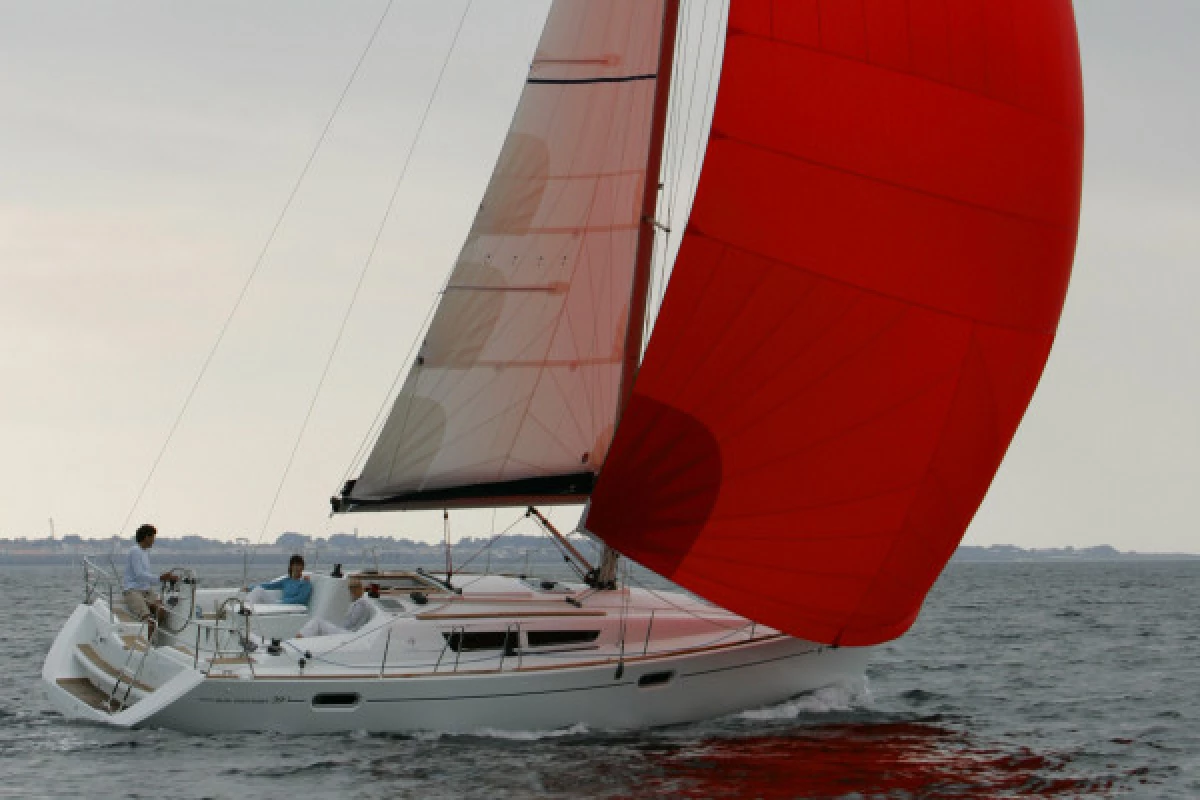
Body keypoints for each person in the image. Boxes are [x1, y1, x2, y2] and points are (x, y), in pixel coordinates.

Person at [121, 524, 176, 629]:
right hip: (133, 590)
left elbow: (146, 576)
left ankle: (153, 638)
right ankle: (149, 642)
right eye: (152, 538)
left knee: (161, 610)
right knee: (148, 620)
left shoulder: (144, 552)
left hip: (146, 590)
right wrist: (160, 578)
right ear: (146, 537)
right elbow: (139, 574)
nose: (153, 541)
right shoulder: (135, 551)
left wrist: (166, 578)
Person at [296, 576, 371, 637]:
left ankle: (300, 637)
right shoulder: (359, 602)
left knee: (318, 622)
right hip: (346, 631)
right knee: (318, 622)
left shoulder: (361, 604)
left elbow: (351, 623)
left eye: (352, 590)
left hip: (349, 634)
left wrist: (335, 627)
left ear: (357, 589)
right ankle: (302, 636)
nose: (350, 593)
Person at [244, 554, 312, 606]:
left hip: (293, 607)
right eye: (295, 565)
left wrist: (284, 602)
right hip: (281, 604)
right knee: (258, 590)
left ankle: (246, 609)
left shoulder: (305, 582)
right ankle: (245, 609)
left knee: (260, 591)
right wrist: (250, 588)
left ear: (303, 567)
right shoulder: (286, 581)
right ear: (291, 566)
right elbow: (269, 586)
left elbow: (301, 599)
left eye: (299, 565)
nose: (297, 568)